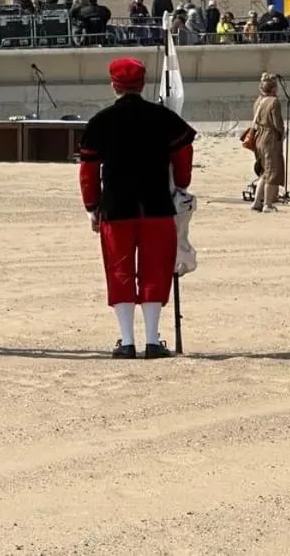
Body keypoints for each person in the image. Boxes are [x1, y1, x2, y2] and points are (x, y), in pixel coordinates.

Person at [78, 57, 197, 359]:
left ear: (113, 85)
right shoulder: (163, 118)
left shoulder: (100, 121)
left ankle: (127, 341)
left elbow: (88, 170)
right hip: (157, 204)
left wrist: (92, 207)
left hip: (116, 206)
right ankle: (153, 340)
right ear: (143, 84)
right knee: (155, 269)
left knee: (119, 270)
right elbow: (184, 154)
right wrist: (181, 185)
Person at [249, 72, 285, 211]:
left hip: (259, 135)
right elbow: (277, 124)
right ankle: (267, 203)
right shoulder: (274, 102)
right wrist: (282, 133)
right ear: (274, 88)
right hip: (270, 137)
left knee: (264, 171)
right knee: (272, 171)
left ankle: (257, 201)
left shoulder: (259, 101)